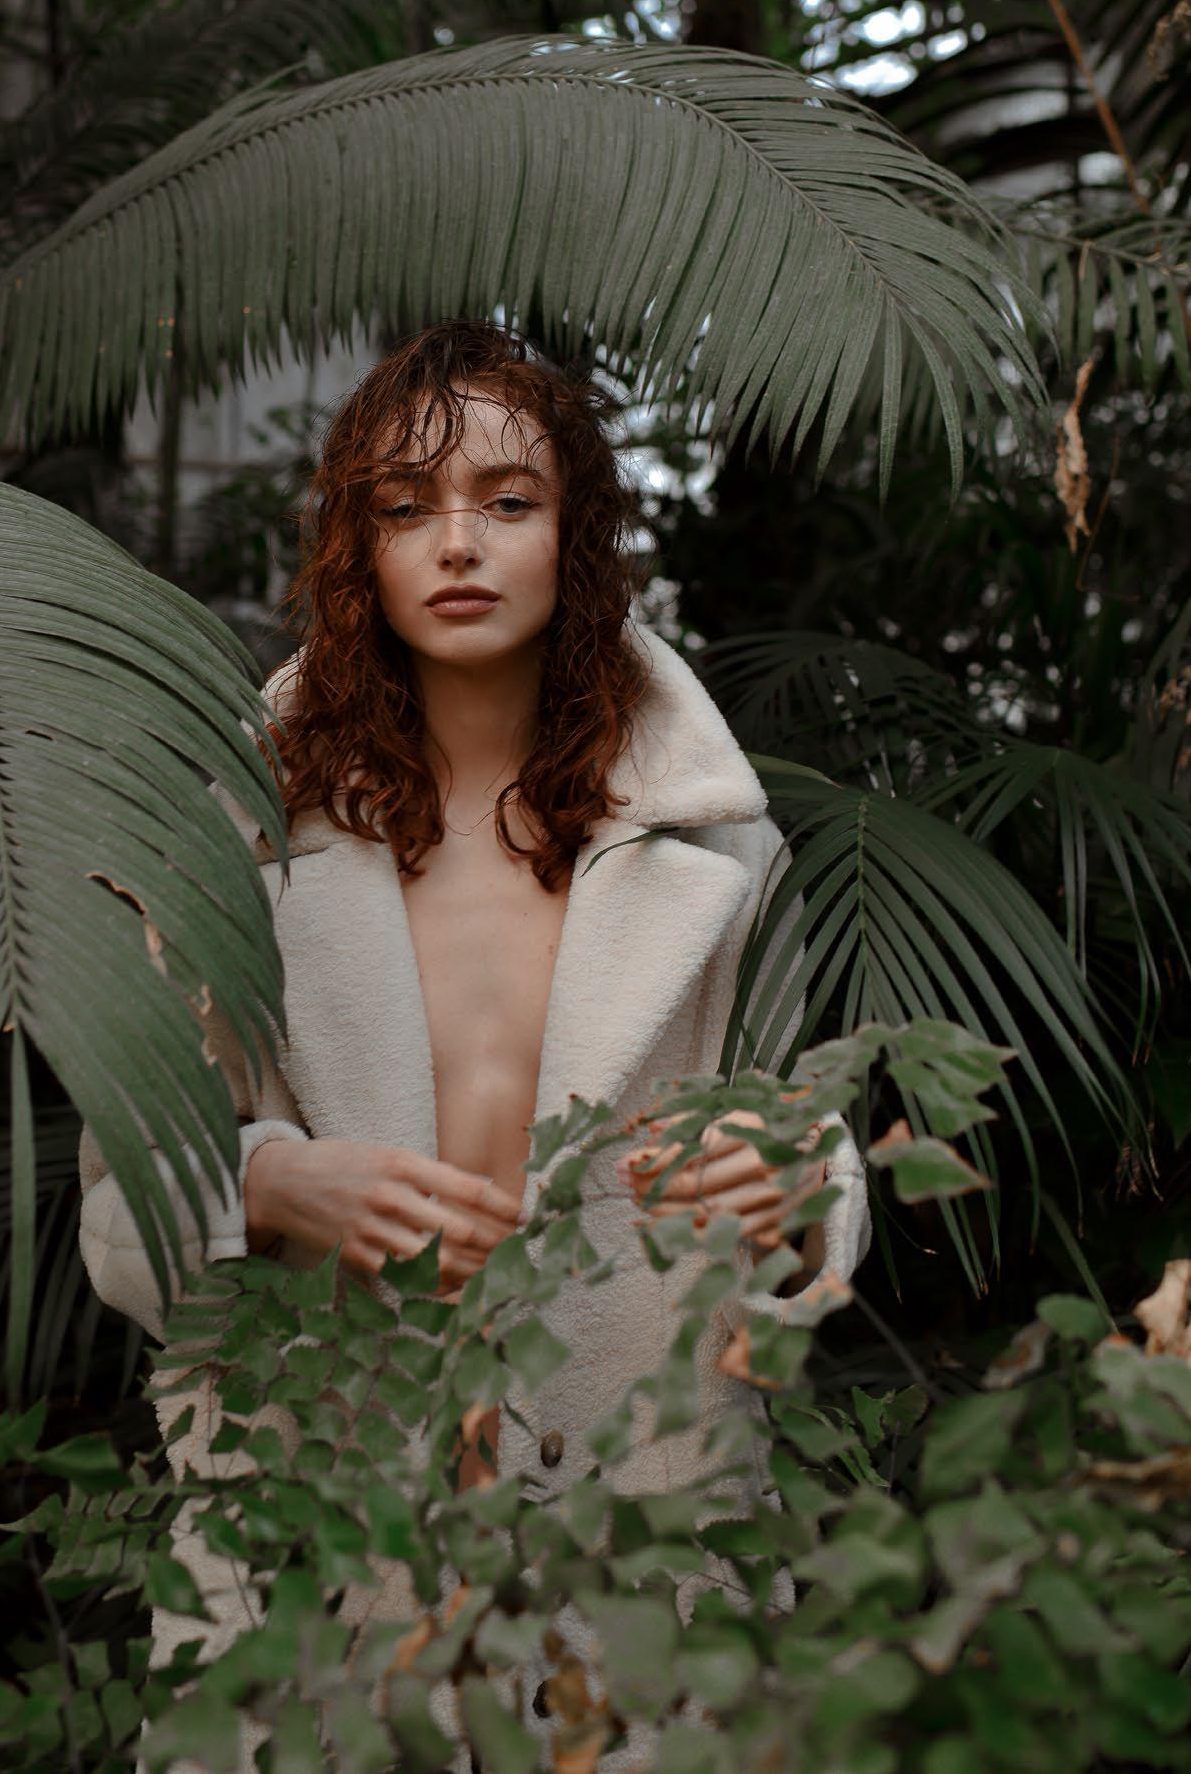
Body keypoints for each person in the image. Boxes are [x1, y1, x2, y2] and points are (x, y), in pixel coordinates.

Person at [77, 319, 872, 1761]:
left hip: (638, 1520)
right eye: (406, 506)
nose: (458, 543)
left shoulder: (718, 849)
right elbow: (117, 1192)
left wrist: (801, 1175)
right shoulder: (238, 843)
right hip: (322, 1524)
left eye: (508, 500)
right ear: (358, 548)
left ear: (576, 537)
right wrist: (271, 1181)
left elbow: (784, 1128)